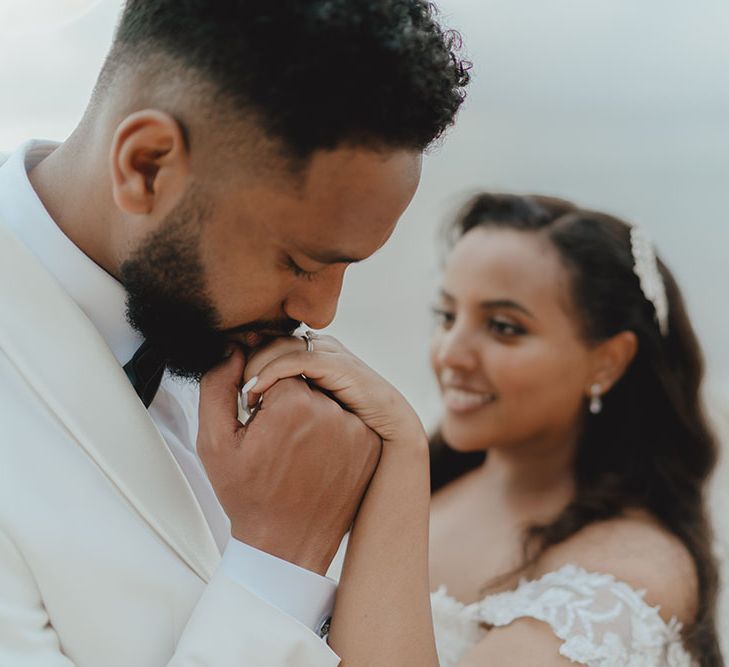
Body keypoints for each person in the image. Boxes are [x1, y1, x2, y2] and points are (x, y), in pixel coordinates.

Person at [0, 1, 468, 665]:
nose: (323, 312)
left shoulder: (234, 346)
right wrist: (277, 561)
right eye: (301, 262)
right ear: (147, 166)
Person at [245, 193, 723, 666]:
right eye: (447, 316)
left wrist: (402, 444)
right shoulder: (435, 487)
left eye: (503, 327)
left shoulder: (632, 575)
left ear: (608, 361)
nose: (451, 352)